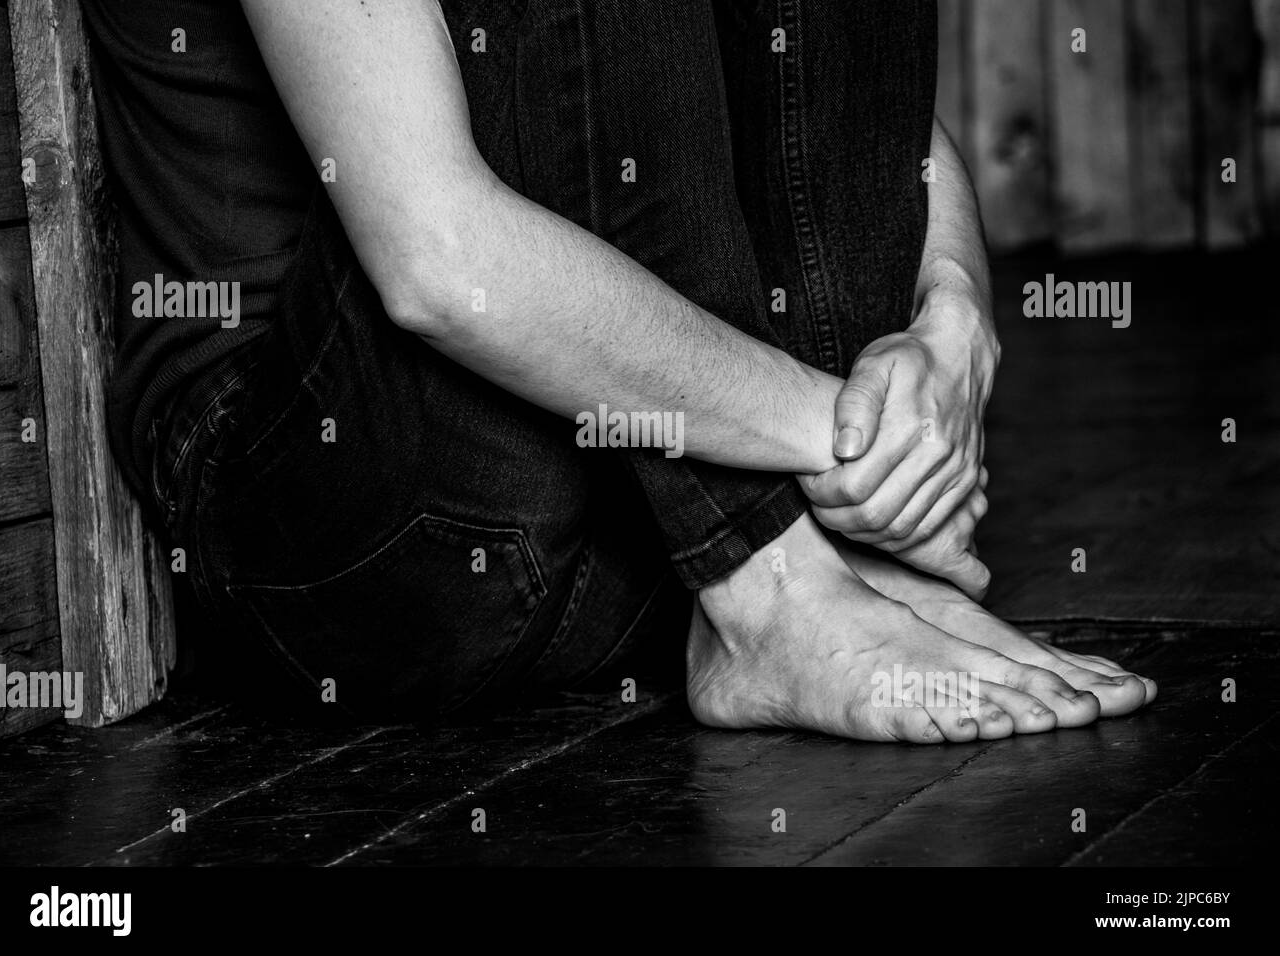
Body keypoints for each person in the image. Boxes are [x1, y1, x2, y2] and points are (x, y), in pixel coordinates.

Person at [81, 0, 1156, 741]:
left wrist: (951, 312)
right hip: (353, 535)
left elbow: (837, 95)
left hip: (629, 516)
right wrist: (840, 436)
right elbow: (439, 262)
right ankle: (771, 585)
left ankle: (817, 563)